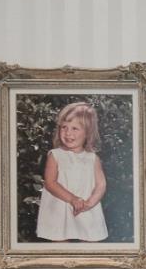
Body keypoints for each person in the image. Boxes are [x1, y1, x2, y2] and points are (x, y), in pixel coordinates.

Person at [35, 101, 108, 242]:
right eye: (64, 127)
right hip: (60, 208)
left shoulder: (92, 158)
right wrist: (73, 199)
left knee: (89, 245)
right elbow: (50, 183)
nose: (68, 133)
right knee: (60, 246)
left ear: (87, 133)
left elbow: (101, 185)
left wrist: (89, 203)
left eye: (75, 128)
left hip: (86, 208)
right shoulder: (55, 155)